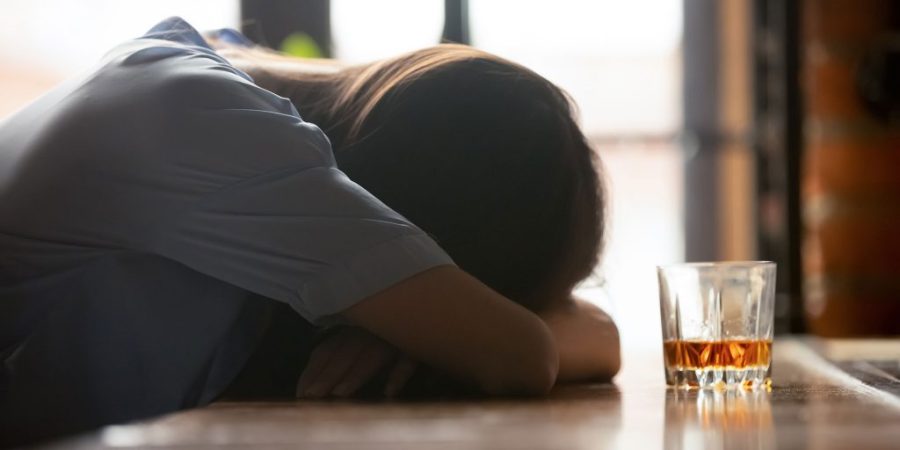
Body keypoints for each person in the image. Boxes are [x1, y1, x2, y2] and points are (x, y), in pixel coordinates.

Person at [0, 17, 619, 444]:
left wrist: (422, 322)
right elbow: (520, 355)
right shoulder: (221, 131)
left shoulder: (201, 84)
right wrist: (444, 329)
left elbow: (599, 333)